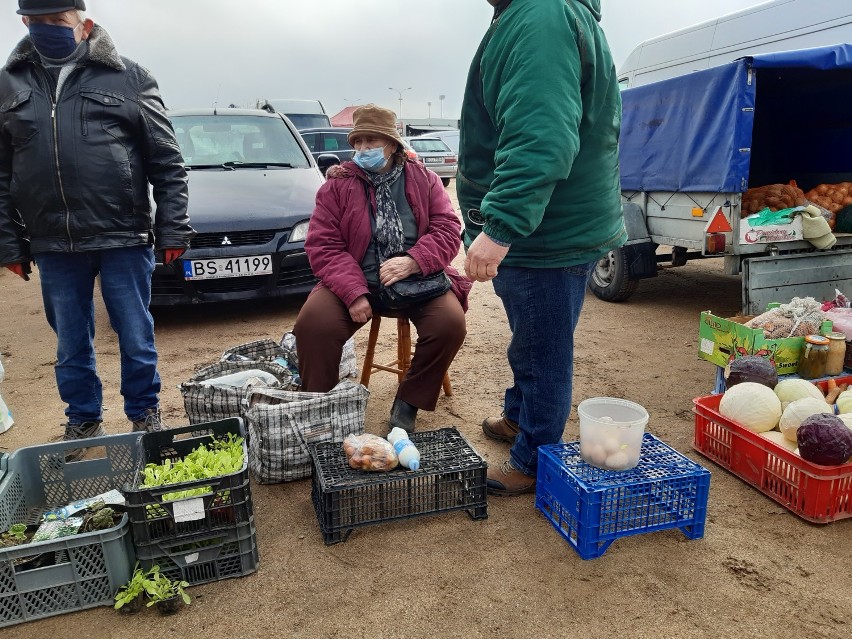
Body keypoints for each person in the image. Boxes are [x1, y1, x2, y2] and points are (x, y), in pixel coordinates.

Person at [0, 0, 194, 457]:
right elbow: (2, 173)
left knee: (135, 332)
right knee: (70, 340)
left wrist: (173, 229)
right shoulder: (8, 83)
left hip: (122, 234)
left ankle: (144, 413)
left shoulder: (129, 76)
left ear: (83, 24)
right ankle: (82, 418)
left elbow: (167, 162)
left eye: (59, 22)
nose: (48, 29)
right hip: (52, 240)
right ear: (25, 23)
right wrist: (9, 241)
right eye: (39, 22)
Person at [458, 0, 627, 495]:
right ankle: (518, 416)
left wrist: (501, 227)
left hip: (545, 233)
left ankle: (534, 458)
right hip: (553, 226)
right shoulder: (540, 12)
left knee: (542, 350)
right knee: (531, 339)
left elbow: (542, 136)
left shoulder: (541, 15)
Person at [294, 104, 470, 433]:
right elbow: (322, 245)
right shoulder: (337, 185)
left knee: (450, 324)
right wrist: (353, 292)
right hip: (357, 279)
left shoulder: (425, 180)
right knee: (312, 325)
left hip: (416, 279)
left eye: (371, 141)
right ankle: (319, 407)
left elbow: (447, 230)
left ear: (392, 144)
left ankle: (408, 403)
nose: (362, 149)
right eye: (357, 141)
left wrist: (414, 260)